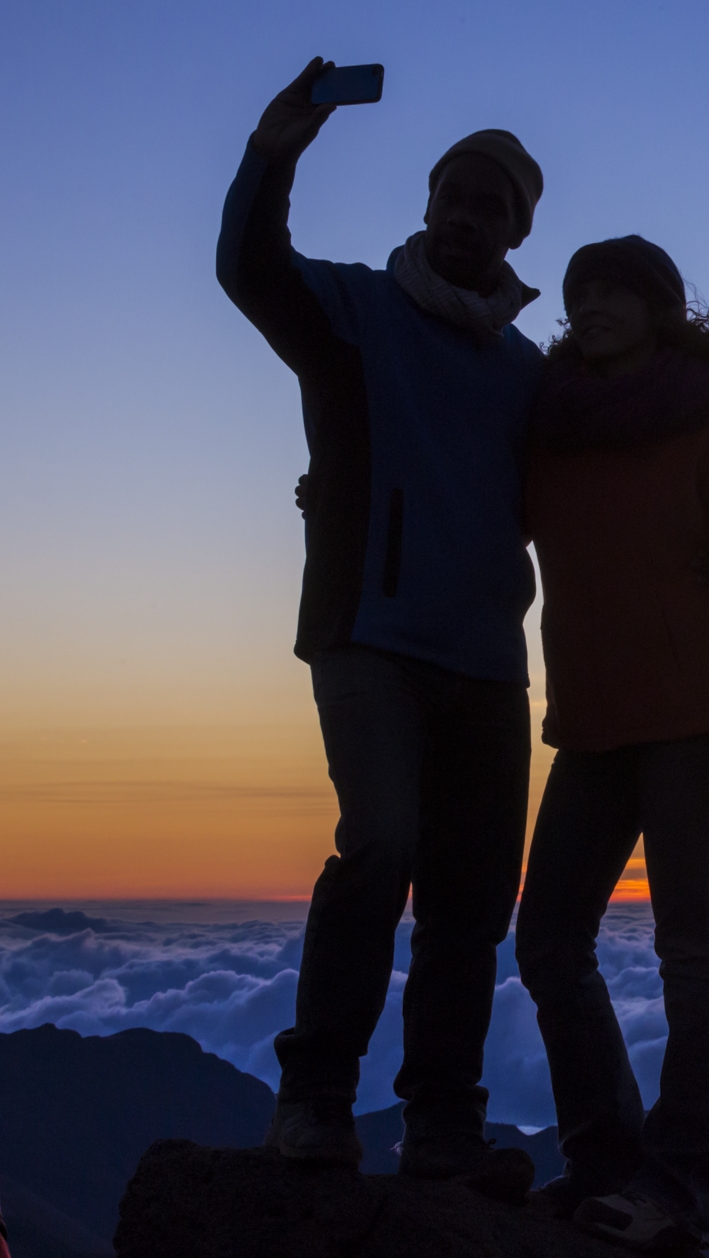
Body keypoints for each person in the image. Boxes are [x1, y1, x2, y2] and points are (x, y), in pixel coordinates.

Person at [216, 58, 545, 1195]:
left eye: (492, 206)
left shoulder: (525, 374)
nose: (469, 217)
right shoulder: (354, 312)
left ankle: (442, 1127)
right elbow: (251, 271)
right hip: (369, 637)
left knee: (470, 899)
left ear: (515, 234)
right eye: (457, 195)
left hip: (490, 665)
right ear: (428, 206)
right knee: (384, 846)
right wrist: (275, 149)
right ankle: (313, 1101)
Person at [513, 236, 709, 1253]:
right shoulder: (551, 434)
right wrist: (343, 504)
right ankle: (601, 1160)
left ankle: (679, 1191)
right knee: (547, 942)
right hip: (589, 728)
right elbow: (473, 515)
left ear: (658, 310)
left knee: (691, 956)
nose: (589, 303)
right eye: (580, 290)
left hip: (690, 731)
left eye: (614, 292)